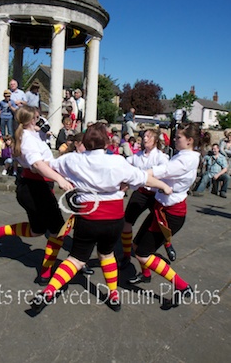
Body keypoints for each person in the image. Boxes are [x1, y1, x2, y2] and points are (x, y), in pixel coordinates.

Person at [30, 122, 172, 313]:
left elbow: (43, 166)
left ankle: (48, 292)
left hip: (89, 217)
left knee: (76, 259)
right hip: (113, 219)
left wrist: (38, 163)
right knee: (107, 254)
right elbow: (143, 178)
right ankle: (113, 295)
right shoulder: (117, 161)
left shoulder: (72, 159)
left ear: (85, 142)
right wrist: (164, 186)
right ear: (106, 143)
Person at [0, 106, 73, 286]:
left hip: (36, 186)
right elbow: (38, 165)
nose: (41, 120)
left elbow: (44, 130)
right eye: (38, 117)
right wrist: (60, 180)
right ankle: (45, 273)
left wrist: (45, 129)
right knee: (57, 230)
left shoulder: (34, 133)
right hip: (34, 188)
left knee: (37, 230)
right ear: (31, 120)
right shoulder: (27, 139)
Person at [130, 123, 201, 307]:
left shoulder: (187, 159)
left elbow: (163, 171)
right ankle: (146, 275)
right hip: (161, 208)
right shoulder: (184, 155)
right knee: (137, 245)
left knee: (143, 254)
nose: (175, 140)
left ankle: (182, 287)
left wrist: (138, 175)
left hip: (171, 214)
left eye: (178, 137)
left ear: (189, 141)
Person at [120, 128, 172, 273]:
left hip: (156, 193)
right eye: (144, 136)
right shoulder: (138, 156)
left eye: (149, 136)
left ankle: (168, 244)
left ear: (155, 140)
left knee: (161, 222)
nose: (145, 138)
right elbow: (125, 162)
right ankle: (125, 255)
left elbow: (166, 168)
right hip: (141, 192)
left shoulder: (161, 157)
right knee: (127, 223)